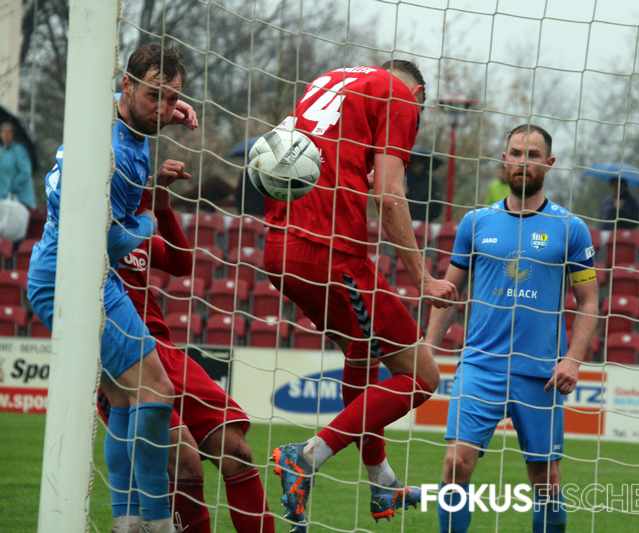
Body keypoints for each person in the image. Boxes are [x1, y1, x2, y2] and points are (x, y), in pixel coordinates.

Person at [262, 60, 458, 532]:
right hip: (330, 251)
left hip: (279, 246)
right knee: (422, 376)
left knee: (361, 350)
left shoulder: (327, 82)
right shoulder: (399, 95)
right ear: (418, 95)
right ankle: (306, 456)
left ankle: (381, 479)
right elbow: (389, 196)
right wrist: (423, 280)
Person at [26, 43, 198, 533]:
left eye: (171, 99)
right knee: (157, 390)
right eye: (154, 96)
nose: (162, 109)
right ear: (127, 86)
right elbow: (111, 238)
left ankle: (127, 523)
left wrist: (165, 106)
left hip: (85, 272)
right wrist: (149, 217)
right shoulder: (114, 156)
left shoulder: (108, 120)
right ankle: (158, 521)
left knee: (125, 399)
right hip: (68, 276)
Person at [426, 124, 600, 533]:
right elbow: (449, 292)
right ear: (504, 159)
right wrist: (426, 349)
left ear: (549, 163)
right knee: (455, 464)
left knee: (546, 481)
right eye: (517, 153)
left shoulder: (570, 228)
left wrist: (573, 359)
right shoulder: (475, 222)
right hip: (480, 366)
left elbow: (589, 302)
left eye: (533, 155)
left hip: (540, 374)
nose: (524, 162)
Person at [97, 185, 274, 533]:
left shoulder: (138, 230)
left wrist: (163, 209)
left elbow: (181, 264)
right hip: (121, 352)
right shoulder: (89, 227)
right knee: (185, 460)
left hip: (164, 349)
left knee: (237, 453)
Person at [0, 121, 35, 240]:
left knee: (16, 232)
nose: (6, 135)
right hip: (5, 199)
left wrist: (13, 187)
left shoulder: (19, 150)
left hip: (20, 199)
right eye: (3, 132)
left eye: (9, 132)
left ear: (13, 134)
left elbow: (25, 172)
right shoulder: (3, 151)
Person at [405, 146, 443, 222]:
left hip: (424, 223)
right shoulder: (403, 179)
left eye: (418, 162)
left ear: (424, 164)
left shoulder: (431, 182)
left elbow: (437, 208)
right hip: (404, 220)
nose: (415, 165)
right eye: (413, 162)